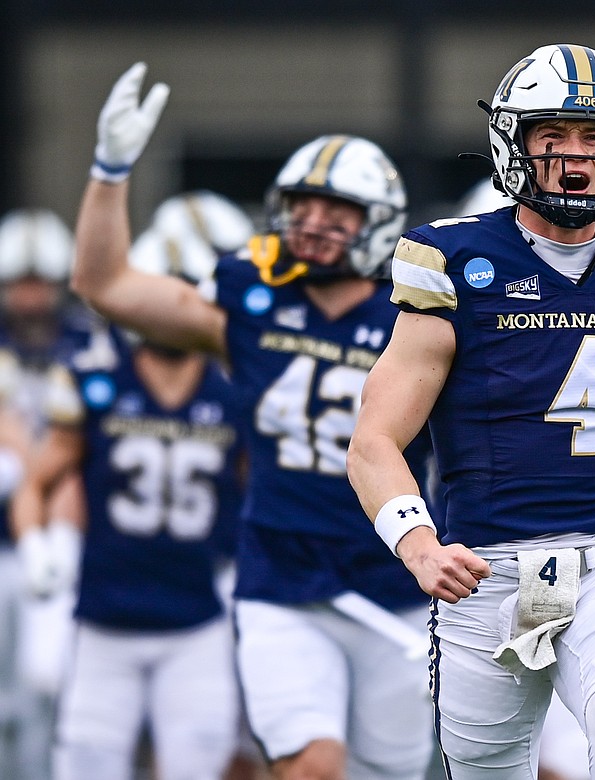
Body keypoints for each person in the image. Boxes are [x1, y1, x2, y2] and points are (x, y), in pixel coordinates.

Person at [347, 43, 595, 780]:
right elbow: (375, 441)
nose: (576, 158)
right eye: (554, 137)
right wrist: (419, 546)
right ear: (514, 144)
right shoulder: (454, 260)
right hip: (486, 569)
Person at [71, 62, 435, 780]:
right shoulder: (252, 298)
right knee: (312, 765)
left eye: (338, 212)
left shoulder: (417, 312)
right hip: (283, 579)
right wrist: (110, 170)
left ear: (380, 219)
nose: (314, 224)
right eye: (303, 206)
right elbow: (103, 284)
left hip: (396, 580)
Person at [9, 220, 246, 780]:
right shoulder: (97, 381)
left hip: (197, 620)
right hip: (102, 625)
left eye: (179, 292)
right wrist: (37, 542)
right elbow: (35, 485)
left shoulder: (234, 387)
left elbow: (262, 491)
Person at [0, 208, 97, 780]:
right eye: (20, 285)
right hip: (4, 538)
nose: (32, 299)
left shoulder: (91, 343)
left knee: (48, 684)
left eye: (41, 284)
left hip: (64, 534)